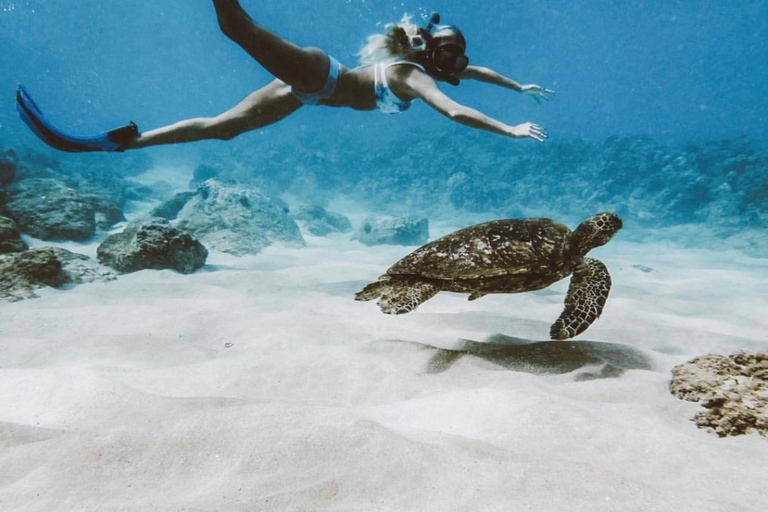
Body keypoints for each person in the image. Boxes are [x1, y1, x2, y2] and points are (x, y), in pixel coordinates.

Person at [16, 0, 555, 153]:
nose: (457, 67)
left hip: (308, 95)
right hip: (319, 75)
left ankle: (118, 144)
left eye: (455, 60)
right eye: (451, 58)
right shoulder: (416, 76)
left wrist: (518, 86)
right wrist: (508, 128)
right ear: (435, 57)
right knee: (235, 25)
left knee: (222, 128)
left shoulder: (428, 66)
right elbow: (457, 110)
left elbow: (475, 75)